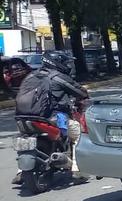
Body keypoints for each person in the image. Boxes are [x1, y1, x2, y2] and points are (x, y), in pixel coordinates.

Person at [12, 51, 90, 185]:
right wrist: (83, 95)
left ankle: (20, 171)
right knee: (78, 133)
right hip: (51, 118)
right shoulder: (58, 77)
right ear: (57, 62)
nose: (67, 65)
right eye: (65, 62)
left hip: (23, 118)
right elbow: (80, 92)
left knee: (25, 139)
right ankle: (77, 170)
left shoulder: (31, 76)